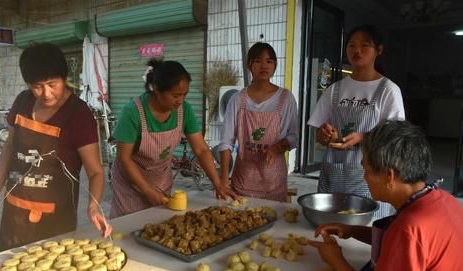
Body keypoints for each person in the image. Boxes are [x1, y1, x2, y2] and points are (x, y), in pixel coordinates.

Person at [309, 120, 463, 271]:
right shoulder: (443, 200)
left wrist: (336, 260)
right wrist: (352, 230)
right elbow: (405, 247)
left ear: (389, 176)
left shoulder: (410, 228)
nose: (364, 178)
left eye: (366, 171)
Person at [0, 43, 111, 251]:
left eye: (52, 84)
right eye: (38, 86)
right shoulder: (23, 101)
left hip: (55, 218)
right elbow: (10, 148)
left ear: (64, 77)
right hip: (15, 212)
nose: (46, 93)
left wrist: (93, 206)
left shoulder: (79, 114)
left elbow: (95, 172)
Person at [110, 59, 236, 217]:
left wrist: (217, 182)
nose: (180, 100)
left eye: (184, 94)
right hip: (131, 185)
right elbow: (124, 158)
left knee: (158, 225)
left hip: (161, 180)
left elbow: (201, 149)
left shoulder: (185, 111)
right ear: (157, 89)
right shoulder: (133, 112)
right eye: (175, 95)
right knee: (128, 229)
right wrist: (147, 190)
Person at [307, 24, 405, 218]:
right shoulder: (334, 90)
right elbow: (318, 136)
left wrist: (363, 137)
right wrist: (325, 135)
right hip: (334, 175)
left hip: (370, 177)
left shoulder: (388, 90)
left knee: (366, 235)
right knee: (332, 226)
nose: (357, 50)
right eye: (352, 45)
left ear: (379, 50)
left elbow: (397, 138)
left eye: (364, 45)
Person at [218, 42, 299, 202]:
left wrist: (276, 148)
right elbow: (226, 143)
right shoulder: (237, 99)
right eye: (258, 61)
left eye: (269, 61)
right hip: (242, 181)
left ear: (275, 66)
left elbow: (294, 137)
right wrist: (223, 179)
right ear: (249, 65)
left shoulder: (286, 98)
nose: (264, 65)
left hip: (273, 182)